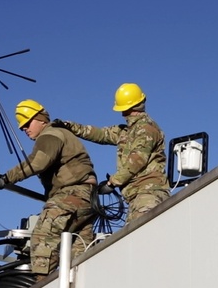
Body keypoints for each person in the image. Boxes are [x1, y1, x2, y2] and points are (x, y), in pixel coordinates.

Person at [0, 99, 97, 278]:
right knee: (79, 251)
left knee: (42, 238)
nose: (24, 128)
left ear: (41, 119)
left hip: (71, 194)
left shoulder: (50, 135)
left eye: (27, 123)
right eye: (22, 126)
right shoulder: (61, 134)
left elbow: (38, 162)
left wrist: (6, 178)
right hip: (87, 199)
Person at [55, 83, 170, 223]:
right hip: (137, 195)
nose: (122, 114)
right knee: (134, 237)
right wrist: (70, 126)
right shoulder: (126, 131)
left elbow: (137, 161)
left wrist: (112, 183)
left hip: (149, 192)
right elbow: (100, 134)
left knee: (142, 235)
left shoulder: (146, 129)